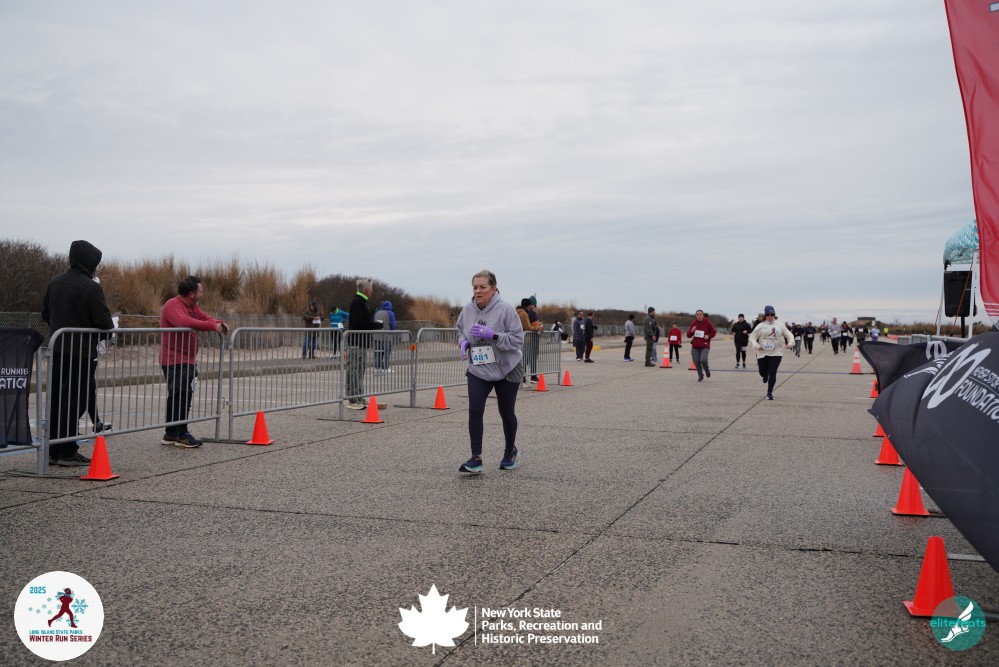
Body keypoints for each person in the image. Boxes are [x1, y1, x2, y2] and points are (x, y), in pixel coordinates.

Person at [41, 240, 115, 466]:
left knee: (57, 399)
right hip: (80, 352)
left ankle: (54, 449)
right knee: (74, 401)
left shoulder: (56, 282)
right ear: (89, 262)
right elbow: (103, 321)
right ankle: (67, 450)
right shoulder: (91, 287)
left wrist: (62, 325)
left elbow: (45, 313)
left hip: (57, 349)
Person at [455, 270, 525, 473]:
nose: (478, 291)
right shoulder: (467, 309)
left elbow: (517, 340)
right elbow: (459, 330)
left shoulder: (506, 309)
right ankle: (475, 457)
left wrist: (494, 336)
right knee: (475, 409)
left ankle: (510, 451)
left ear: (494, 289)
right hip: (479, 368)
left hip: (507, 367)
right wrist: (463, 342)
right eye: (475, 287)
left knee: (506, 411)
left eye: (482, 287)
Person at [160, 276, 228, 447]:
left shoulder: (193, 307)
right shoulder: (172, 305)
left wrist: (218, 323)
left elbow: (205, 318)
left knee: (180, 395)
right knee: (181, 396)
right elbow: (183, 321)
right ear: (192, 294)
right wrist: (213, 326)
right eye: (200, 291)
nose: (202, 294)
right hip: (174, 359)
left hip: (186, 359)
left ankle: (171, 433)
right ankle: (181, 434)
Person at [345, 278, 384, 409]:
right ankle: (353, 400)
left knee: (360, 371)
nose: (372, 291)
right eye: (371, 289)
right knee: (354, 371)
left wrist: (373, 324)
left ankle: (359, 397)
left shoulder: (361, 302)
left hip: (361, 343)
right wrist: (375, 325)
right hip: (356, 343)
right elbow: (359, 323)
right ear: (367, 290)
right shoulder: (357, 302)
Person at [749, 305, 794, 400]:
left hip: (776, 352)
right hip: (762, 352)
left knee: (772, 372)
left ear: (774, 315)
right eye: (768, 315)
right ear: (765, 315)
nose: (770, 317)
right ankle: (764, 375)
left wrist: (790, 343)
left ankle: (769, 393)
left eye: (772, 314)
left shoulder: (780, 325)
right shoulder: (760, 326)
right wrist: (756, 346)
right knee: (762, 372)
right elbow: (752, 337)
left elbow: (789, 335)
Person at [517, 298, 543, 383]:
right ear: (529, 305)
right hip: (527, 339)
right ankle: (530, 376)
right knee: (529, 357)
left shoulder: (516, 311)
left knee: (523, 358)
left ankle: (523, 376)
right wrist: (539, 327)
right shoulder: (524, 314)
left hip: (519, 338)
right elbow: (528, 327)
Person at [686, 310, 716, 381]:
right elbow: (688, 335)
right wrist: (692, 331)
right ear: (696, 316)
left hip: (704, 346)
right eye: (697, 314)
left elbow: (714, 332)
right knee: (696, 362)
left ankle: (707, 370)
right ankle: (700, 375)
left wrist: (708, 336)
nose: (699, 316)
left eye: (700, 314)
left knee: (703, 360)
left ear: (703, 315)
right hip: (695, 346)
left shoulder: (707, 322)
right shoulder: (694, 323)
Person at [372, 300, 397, 372]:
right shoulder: (390, 313)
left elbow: (373, 322)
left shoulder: (377, 313)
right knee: (386, 352)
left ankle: (377, 368)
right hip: (386, 336)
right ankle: (386, 367)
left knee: (378, 352)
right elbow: (393, 325)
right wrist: (393, 331)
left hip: (377, 336)